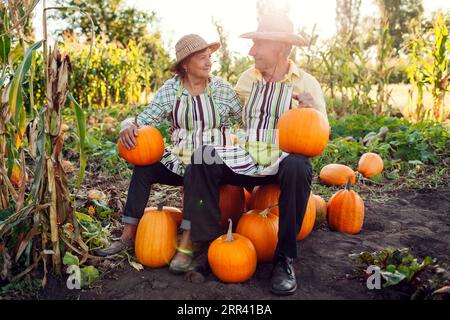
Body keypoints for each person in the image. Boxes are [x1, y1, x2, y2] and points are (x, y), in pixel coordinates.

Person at [181, 14, 328, 296]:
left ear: (281, 48)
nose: (251, 51)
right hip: (246, 158)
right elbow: (220, 108)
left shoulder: (306, 83)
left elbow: (320, 135)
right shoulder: (247, 79)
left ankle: (284, 259)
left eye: (258, 44)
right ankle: (210, 244)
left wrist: (311, 112)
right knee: (202, 159)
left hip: (282, 160)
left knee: (300, 166)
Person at [95, 34, 243, 269]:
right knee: (146, 165)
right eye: (202, 58)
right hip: (180, 159)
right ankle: (127, 234)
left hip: (213, 163)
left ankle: (188, 240)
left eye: (209, 58)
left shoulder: (222, 89)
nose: (208, 63)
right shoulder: (171, 90)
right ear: (185, 64)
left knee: (200, 161)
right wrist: (127, 125)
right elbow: (144, 119)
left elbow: (245, 118)